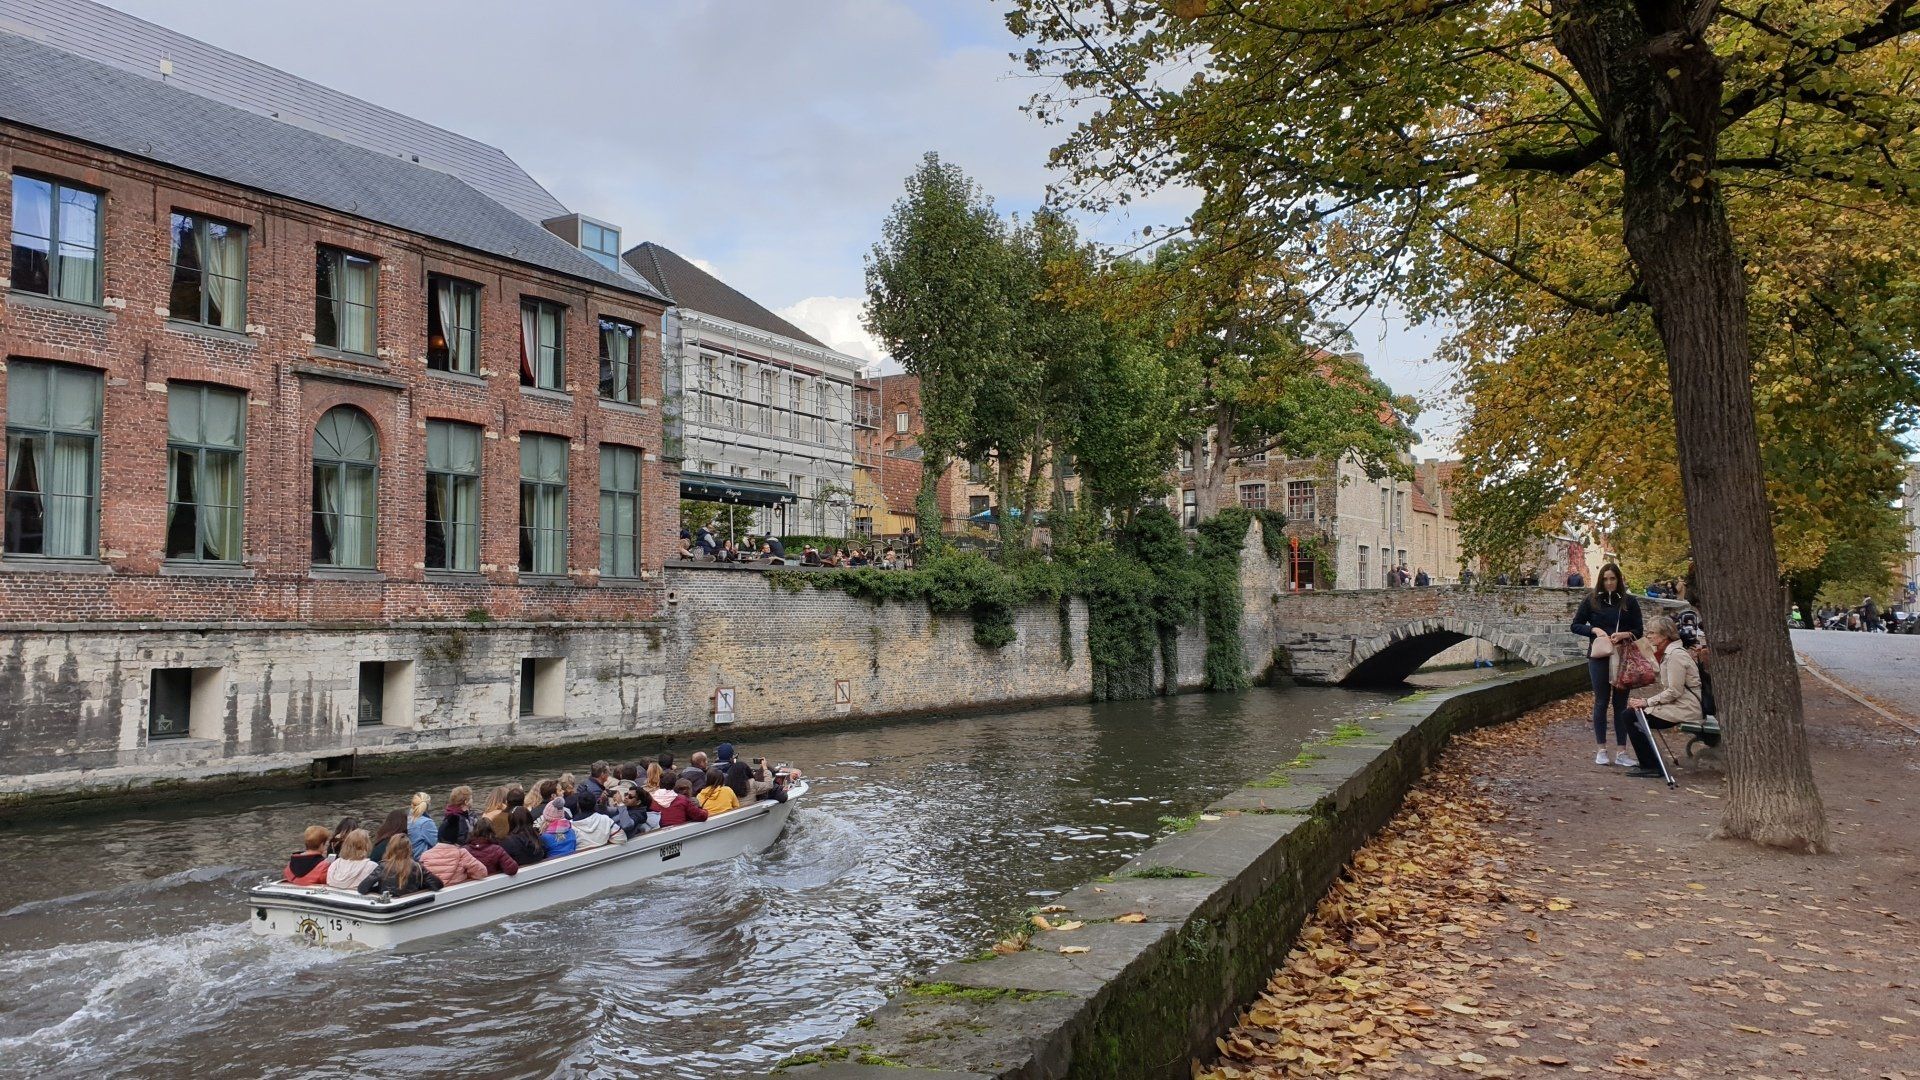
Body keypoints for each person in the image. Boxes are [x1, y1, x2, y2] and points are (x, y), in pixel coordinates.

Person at [1572, 562, 1645, 767]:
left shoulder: (1629, 602)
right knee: (1601, 701)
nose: (1609, 583)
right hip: (1599, 656)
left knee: (1620, 704)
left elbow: (1639, 630)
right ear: (1601, 581)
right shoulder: (1592, 600)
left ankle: (1622, 751)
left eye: (1613, 579)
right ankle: (1601, 749)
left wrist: (1624, 634)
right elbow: (1575, 625)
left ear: (1618, 579)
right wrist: (1594, 630)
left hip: (1622, 656)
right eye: (1605, 579)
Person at [1623, 616, 1704, 780]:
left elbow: (1674, 691)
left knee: (1631, 715)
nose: (1649, 636)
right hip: (1679, 704)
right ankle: (1650, 762)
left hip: (1686, 707)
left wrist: (1647, 702)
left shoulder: (1675, 655)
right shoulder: (1670, 653)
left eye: (1652, 633)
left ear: (1665, 635)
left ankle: (1651, 765)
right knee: (1633, 714)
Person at [357, 836, 443, 897]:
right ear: (409, 849)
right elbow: (438, 885)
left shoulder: (383, 866)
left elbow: (362, 888)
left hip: (389, 905)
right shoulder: (417, 866)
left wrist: (377, 889)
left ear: (390, 848)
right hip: (410, 905)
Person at [420, 815, 490, 885]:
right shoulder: (462, 853)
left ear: (439, 835)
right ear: (456, 837)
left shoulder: (424, 855)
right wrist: (467, 874)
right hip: (460, 890)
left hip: (436, 890)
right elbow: (482, 873)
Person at [407, 792, 437, 857]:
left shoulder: (406, 819)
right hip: (421, 859)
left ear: (411, 805)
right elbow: (435, 844)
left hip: (409, 857)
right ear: (428, 805)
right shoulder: (426, 822)